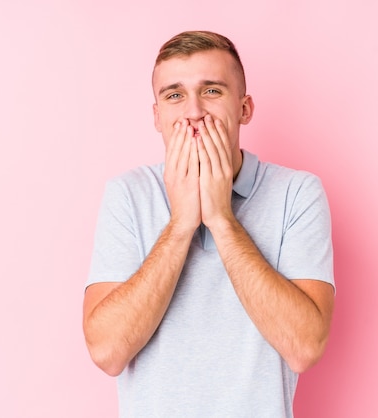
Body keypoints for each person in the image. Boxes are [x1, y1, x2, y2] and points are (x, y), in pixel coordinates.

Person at [82, 30, 335, 417]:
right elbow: (107, 352)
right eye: (174, 95)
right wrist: (182, 223)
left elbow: (304, 348)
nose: (193, 112)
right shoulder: (128, 195)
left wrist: (220, 217)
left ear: (244, 108)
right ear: (157, 116)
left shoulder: (297, 193)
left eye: (212, 91)